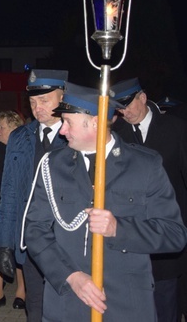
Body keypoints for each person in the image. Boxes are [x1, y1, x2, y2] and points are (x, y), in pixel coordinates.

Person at [24, 82, 187, 321]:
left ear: (96, 123)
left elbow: (174, 235)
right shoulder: (52, 165)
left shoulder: (145, 165)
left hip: (125, 304)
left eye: (68, 122)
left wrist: (118, 229)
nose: (62, 130)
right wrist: (71, 276)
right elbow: (35, 231)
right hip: (67, 301)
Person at [111, 78, 187, 321]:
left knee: (166, 304)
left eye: (128, 104)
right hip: (130, 235)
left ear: (142, 97)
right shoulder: (116, 136)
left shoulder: (176, 129)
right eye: (119, 108)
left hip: (166, 231)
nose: (125, 111)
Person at [0, 69, 68, 322]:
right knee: (35, 307)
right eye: (33, 102)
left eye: (45, 100)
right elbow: (9, 193)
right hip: (29, 241)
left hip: (65, 243)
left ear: (63, 97)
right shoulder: (19, 137)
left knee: (65, 306)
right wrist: (4, 243)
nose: (38, 108)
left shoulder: (76, 136)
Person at [0, 110, 26, 310]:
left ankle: (21, 292)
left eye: (2, 127)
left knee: (18, 252)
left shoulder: (22, 151)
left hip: (15, 209)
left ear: (15, 129)